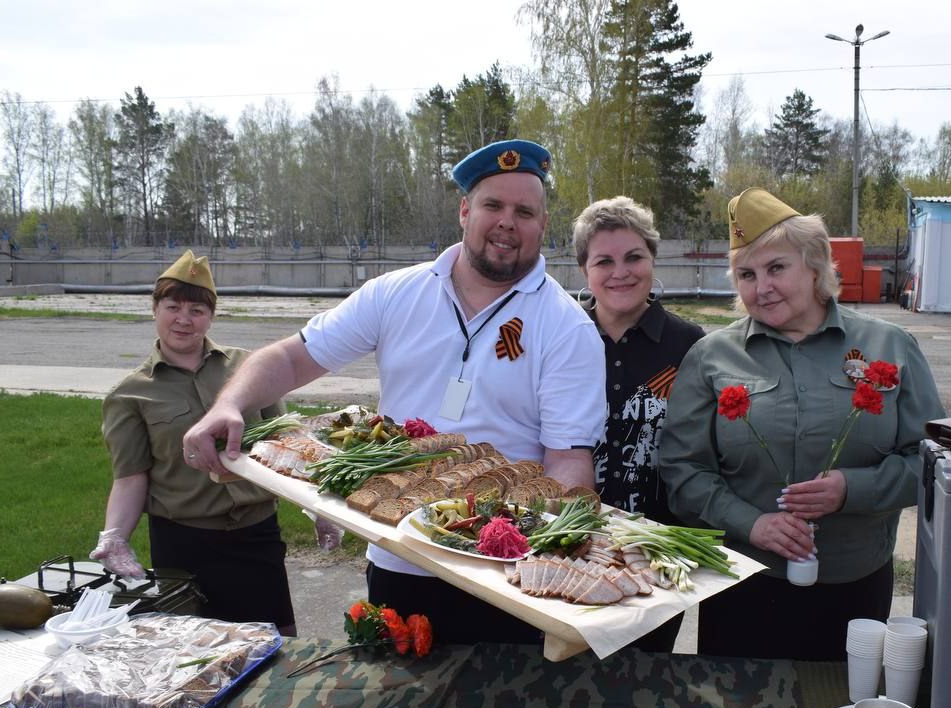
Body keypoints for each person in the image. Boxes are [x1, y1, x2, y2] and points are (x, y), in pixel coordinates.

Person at [181, 139, 605, 647]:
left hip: (501, 577)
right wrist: (228, 404)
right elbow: (294, 357)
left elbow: (567, 458)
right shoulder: (396, 294)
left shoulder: (565, 325)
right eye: (493, 205)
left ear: (543, 225)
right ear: (465, 211)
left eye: (525, 211)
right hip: (398, 554)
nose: (507, 222)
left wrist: (543, 558)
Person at [660, 188, 945, 661]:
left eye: (777, 268)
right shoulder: (712, 357)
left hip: (855, 585)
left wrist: (852, 490)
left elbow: (931, 463)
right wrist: (753, 525)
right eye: (746, 275)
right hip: (743, 583)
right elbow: (682, 471)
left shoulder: (890, 346)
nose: (761, 287)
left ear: (815, 265)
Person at [92, 251, 299, 635]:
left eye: (197, 310)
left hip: (257, 536)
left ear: (211, 316)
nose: (184, 319)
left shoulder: (250, 368)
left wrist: (318, 506)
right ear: (154, 309)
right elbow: (130, 476)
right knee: (197, 658)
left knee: (277, 646)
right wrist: (115, 535)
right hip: (184, 546)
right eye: (173, 306)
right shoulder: (130, 394)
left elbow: (288, 442)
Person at [571, 196, 703, 652]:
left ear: (652, 260)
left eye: (634, 257)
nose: (620, 272)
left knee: (645, 679)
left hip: (658, 551)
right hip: (571, 544)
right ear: (584, 271)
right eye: (603, 261)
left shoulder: (690, 346)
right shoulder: (564, 339)